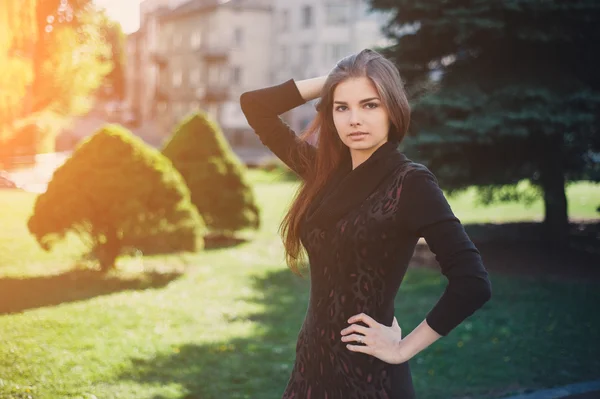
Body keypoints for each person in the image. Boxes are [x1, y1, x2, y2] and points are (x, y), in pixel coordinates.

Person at [240, 48, 492, 399]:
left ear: (393, 109)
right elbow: (255, 105)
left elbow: (473, 282)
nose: (354, 119)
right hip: (311, 369)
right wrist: (336, 81)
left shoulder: (411, 183)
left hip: (369, 378)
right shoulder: (324, 173)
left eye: (369, 105)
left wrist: (403, 348)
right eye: (342, 107)